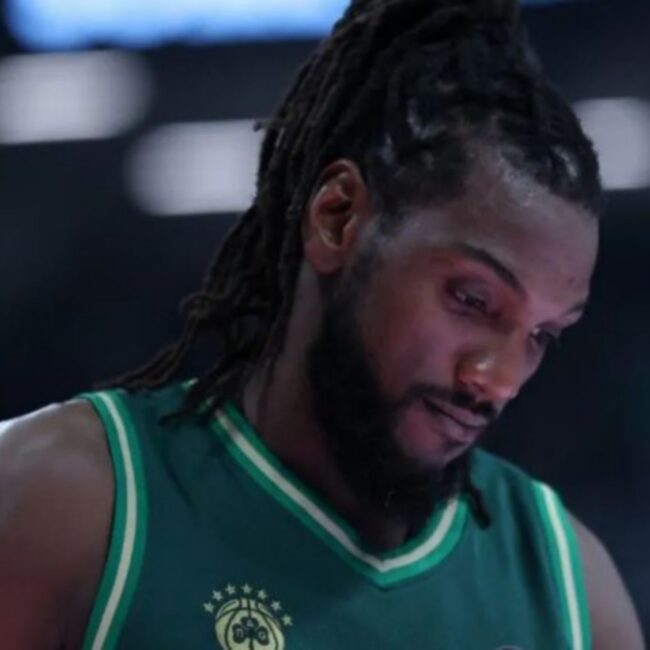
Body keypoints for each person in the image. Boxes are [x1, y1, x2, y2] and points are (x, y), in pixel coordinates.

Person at [0, 0, 645, 648]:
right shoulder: (65, 503)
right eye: (473, 300)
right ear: (337, 218)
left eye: (541, 335)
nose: (499, 379)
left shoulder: (573, 595)